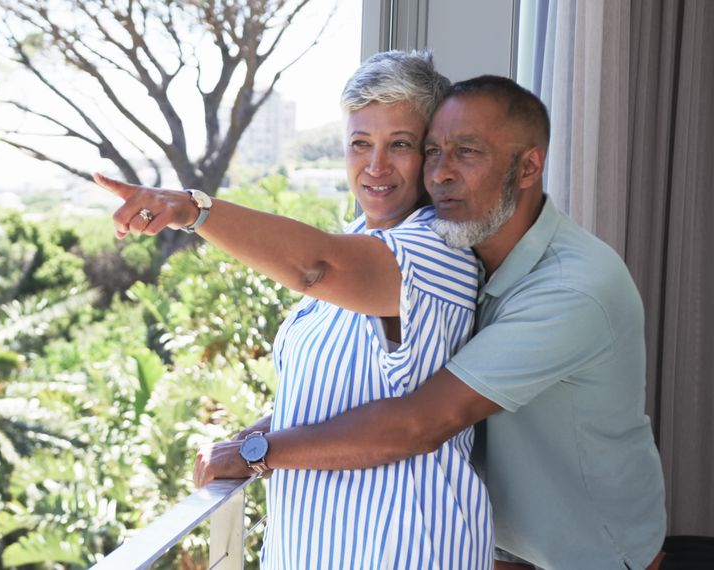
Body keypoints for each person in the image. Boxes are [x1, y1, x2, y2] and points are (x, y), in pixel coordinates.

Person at [194, 75, 668, 570]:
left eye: (466, 153)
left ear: (527, 166)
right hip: (496, 539)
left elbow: (421, 422)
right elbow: (366, 387)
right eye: (434, 150)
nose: (440, 173)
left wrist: (258, 452)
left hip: (590, 552)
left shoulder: (573, 289)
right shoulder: (459, 251)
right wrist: (257, 433)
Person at [95, 50, 494, 569]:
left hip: (405, 546)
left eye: (400, 144)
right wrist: (250, 438)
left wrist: (192, 210)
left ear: (433, 156)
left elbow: (315, 267)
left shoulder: (439, 250)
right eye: (359, 144)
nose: (375, 167)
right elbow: (335, 395)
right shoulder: (360, 237)